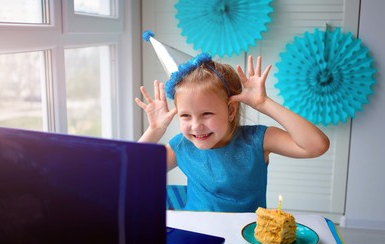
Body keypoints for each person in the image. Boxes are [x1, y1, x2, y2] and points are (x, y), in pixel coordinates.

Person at [135, 53, 330, 212]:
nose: (196, 126)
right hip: (197, 233)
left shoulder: (257, 140)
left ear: (230, 110)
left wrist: (264, 104)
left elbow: (316, 146)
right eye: (185, 116)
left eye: (206, 114)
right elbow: (131, 173)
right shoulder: (180, 146)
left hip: (246, 236)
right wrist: (155, 130)